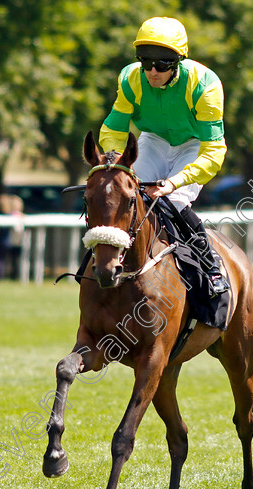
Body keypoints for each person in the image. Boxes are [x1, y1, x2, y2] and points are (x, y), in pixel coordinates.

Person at [99, 16, 229, 294]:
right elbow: (113, 129)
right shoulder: (130, 78)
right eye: (146, 61)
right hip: (154, 140)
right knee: (125, 194)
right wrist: (114, 160)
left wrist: (173, 182)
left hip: (195, 145)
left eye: (162, 63)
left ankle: (211, 267)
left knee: (174, 202)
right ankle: (108, 262)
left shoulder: (204, 85)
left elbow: (214, 150)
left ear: (179, 61)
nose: (153, 71)